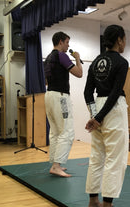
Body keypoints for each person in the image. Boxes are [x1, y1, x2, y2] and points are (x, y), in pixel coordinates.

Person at [84, 24, 129, 207]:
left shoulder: (95, 62)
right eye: (125, 39)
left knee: (97, 157)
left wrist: (95, 116)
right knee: (115, 158)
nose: (125, 43)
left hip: (99, 108)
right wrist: (100, 117)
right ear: (119, 39)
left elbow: (87, 92)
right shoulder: (122, 62)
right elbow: (115, 93)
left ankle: (94, 202)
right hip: (113, 108)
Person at [44, 31, 83, 178]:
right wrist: (78, 59)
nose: (68, 46)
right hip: (61, 97)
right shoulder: (61, 55)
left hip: (49, 95)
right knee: (66, 131)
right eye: (67, 42)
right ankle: (56, 165)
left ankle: (55, 163)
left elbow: (47, 80)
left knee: (55, 131)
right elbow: (79, 73)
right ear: (60, 42)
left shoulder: (48, 58)